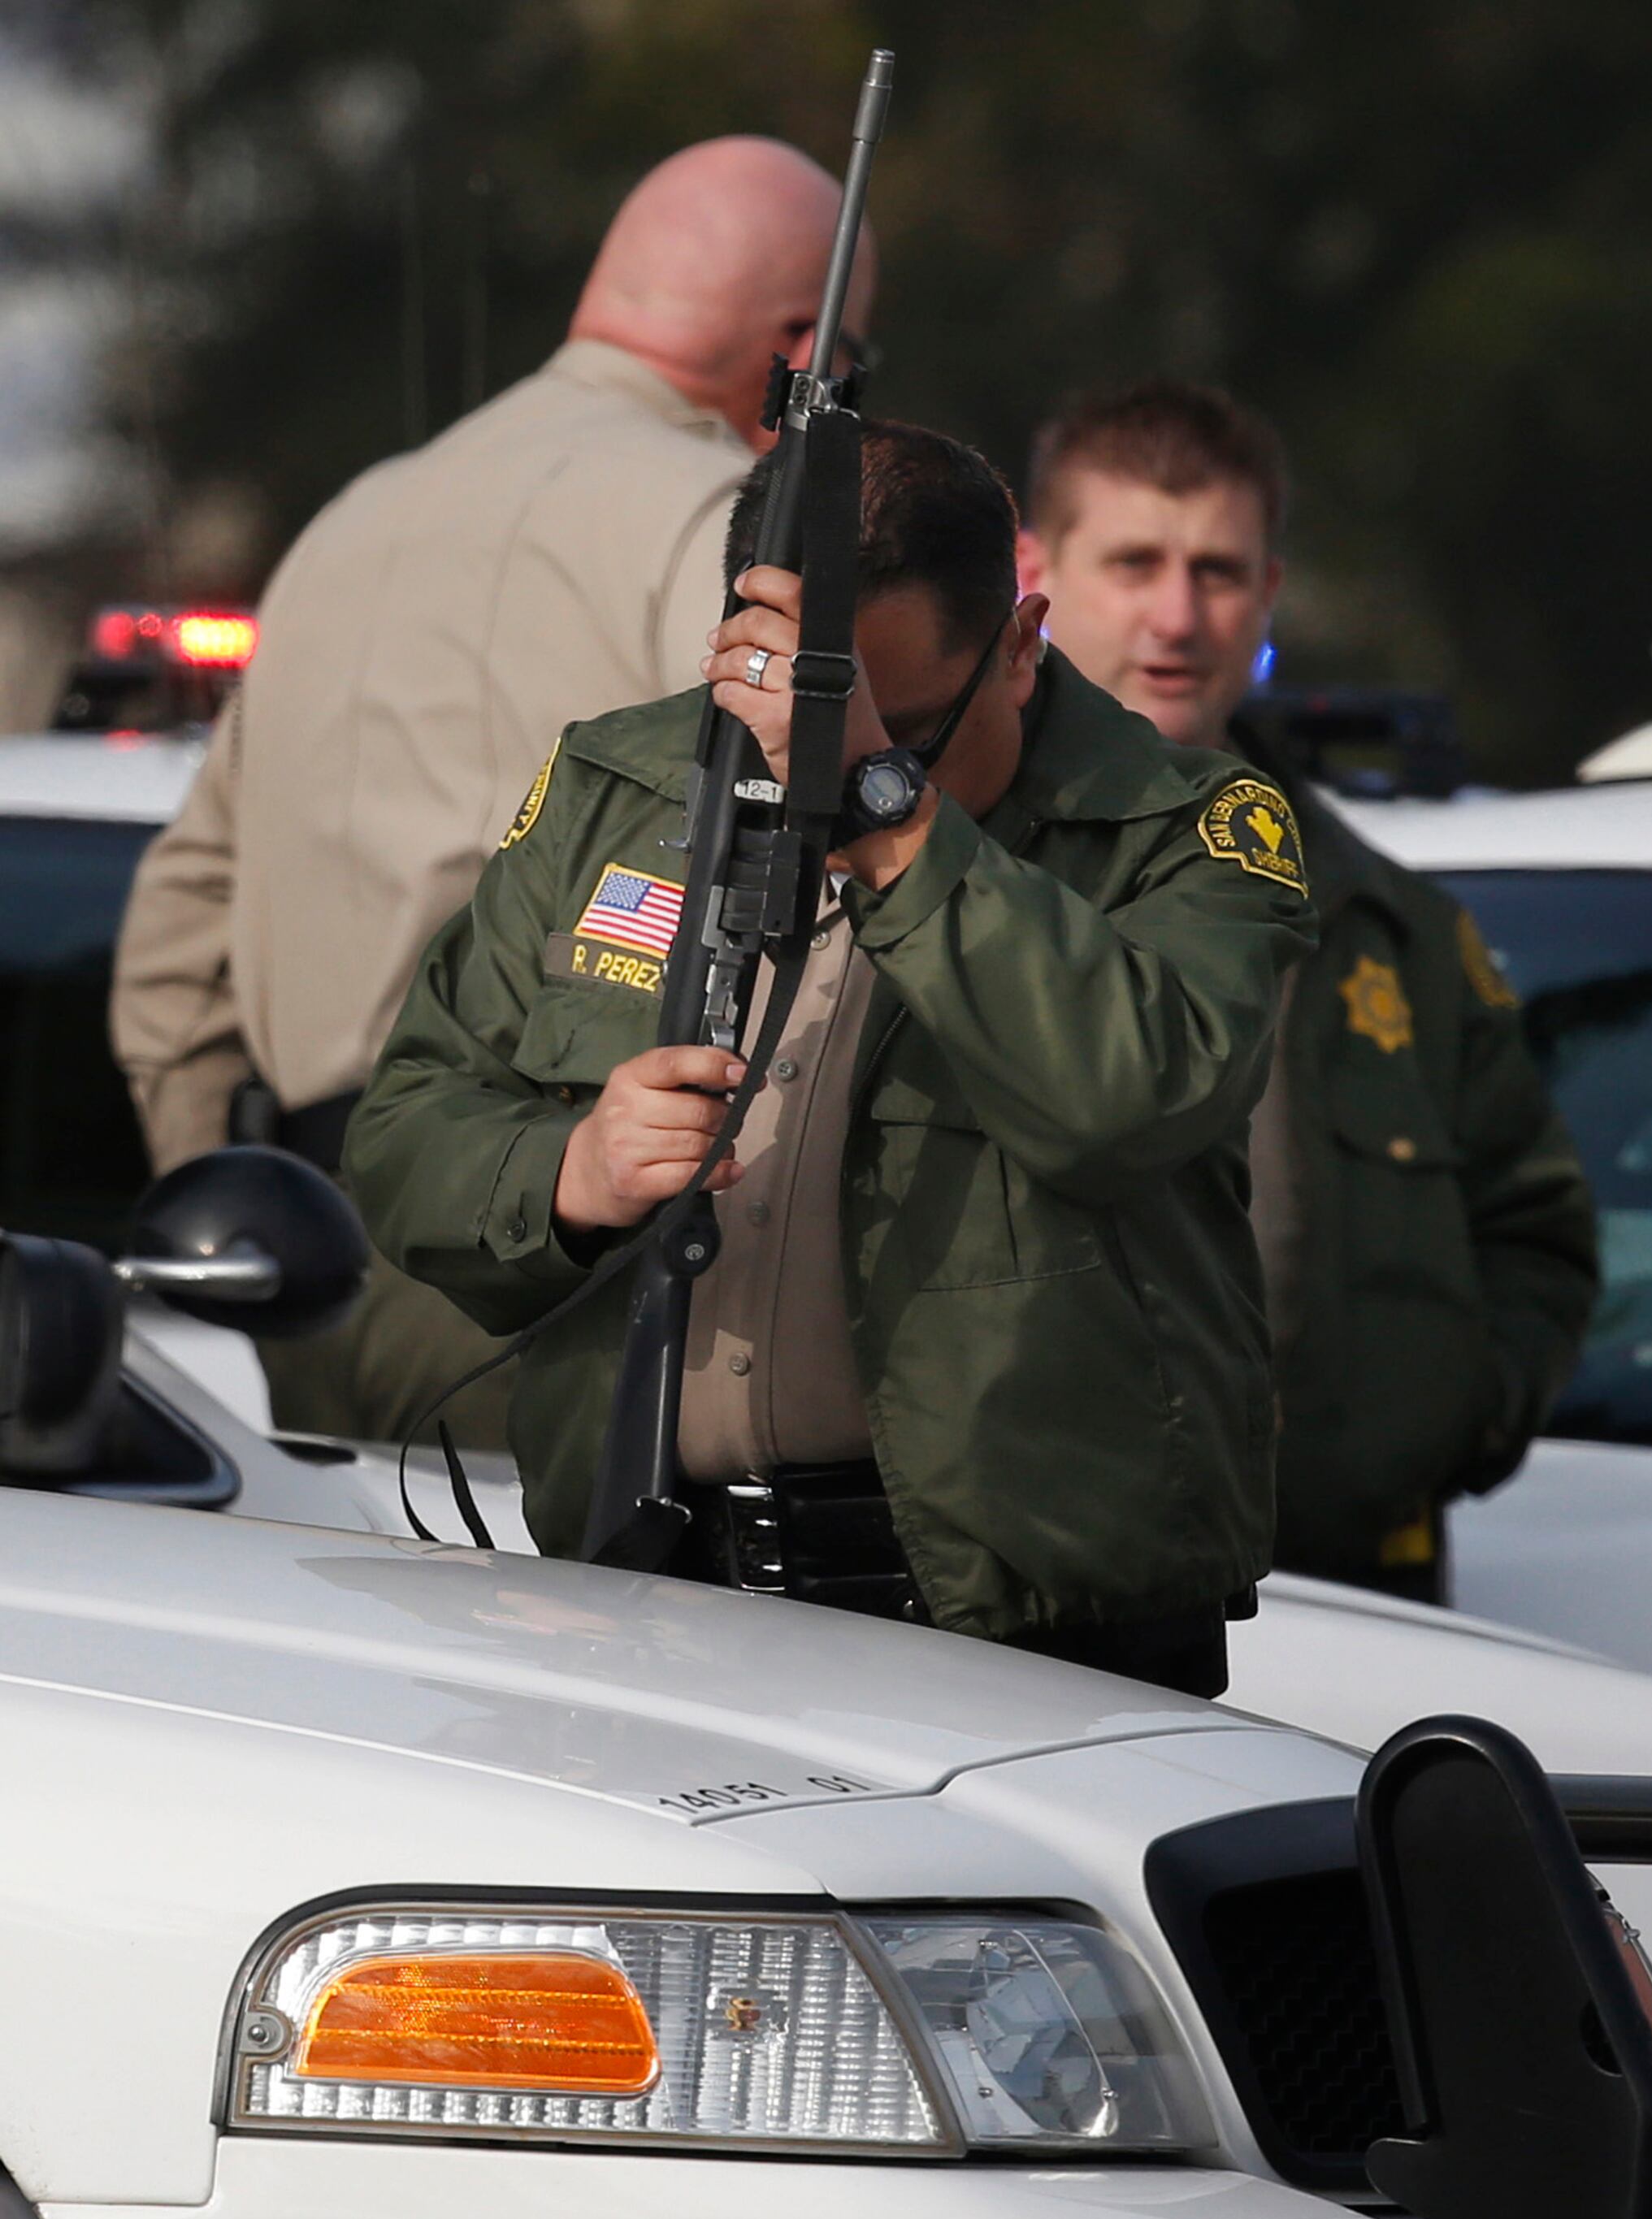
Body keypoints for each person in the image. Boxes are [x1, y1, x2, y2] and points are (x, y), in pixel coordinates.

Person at [345, 421, 1312, 1697]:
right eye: (789, 715)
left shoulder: (1181, 830)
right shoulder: (618, 787)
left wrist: (886, 809)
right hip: (650, 1584)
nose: (812, 768)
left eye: (901, 724)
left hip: (1025, 1630)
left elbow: (1132, 1100)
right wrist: (572, 1171)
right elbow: (404, 1128)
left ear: (1024, 647)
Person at [110, 136, 874, 1448]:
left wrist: (249, 1216)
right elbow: (832, 907)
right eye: (856, 362)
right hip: (541, 1272)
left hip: (302, 1282)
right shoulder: (727, 529)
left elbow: (177, 940)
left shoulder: (350, 522)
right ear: (799, 345)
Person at [1017, 380, 1595, 1601]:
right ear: (1037, 568)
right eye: (1133, 562)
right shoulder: (946, 877)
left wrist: (1432, 1429)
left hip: (1348, 1582)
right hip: (1038, 1584)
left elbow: (1536, 1227)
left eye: (1218, 571)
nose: (1178, 616)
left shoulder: (1392, 922)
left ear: (1269, 591)